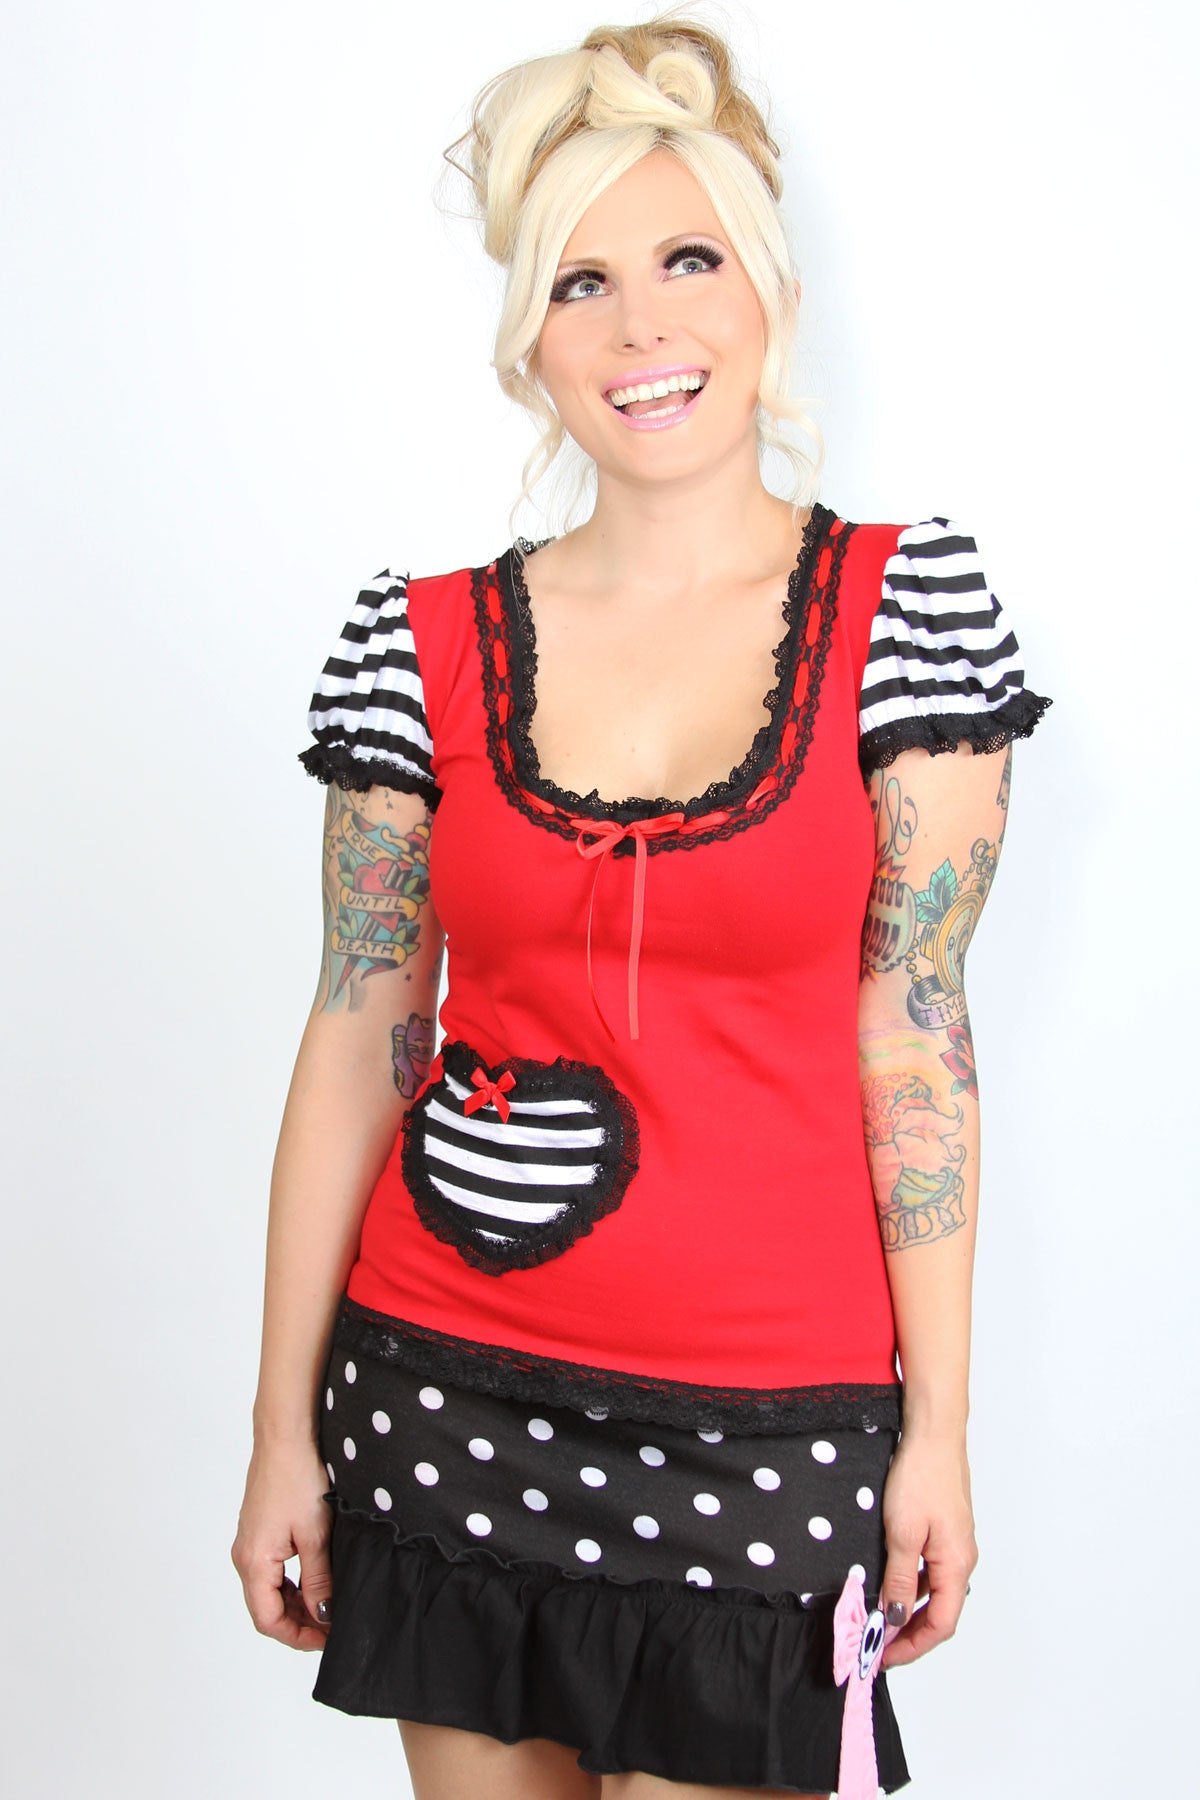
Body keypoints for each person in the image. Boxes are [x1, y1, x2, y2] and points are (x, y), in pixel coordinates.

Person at [231, 12, 1053, 1797]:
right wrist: (279, 1426)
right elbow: (359, 1037)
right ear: (527, 341)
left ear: (773, 291)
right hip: (445, 1388)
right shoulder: (418, 645)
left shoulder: (909, 618)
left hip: (771, 1426)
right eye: (580, 282)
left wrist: (939, 1429)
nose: (640, 329)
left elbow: (916, 1041)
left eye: (689, 260)